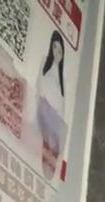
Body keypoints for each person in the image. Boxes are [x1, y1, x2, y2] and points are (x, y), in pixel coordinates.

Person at [36, 30, 66, 179]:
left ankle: (49, 172)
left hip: (55, 116)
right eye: (55, 47)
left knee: (53, 143)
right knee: (47, 140)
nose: (57, 53)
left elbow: (62, 104)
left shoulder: (61, 78)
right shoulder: (45, 62)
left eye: (60, 50)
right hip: (45, 108)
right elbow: (39, 84)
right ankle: (44, 168)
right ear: (51, 47)